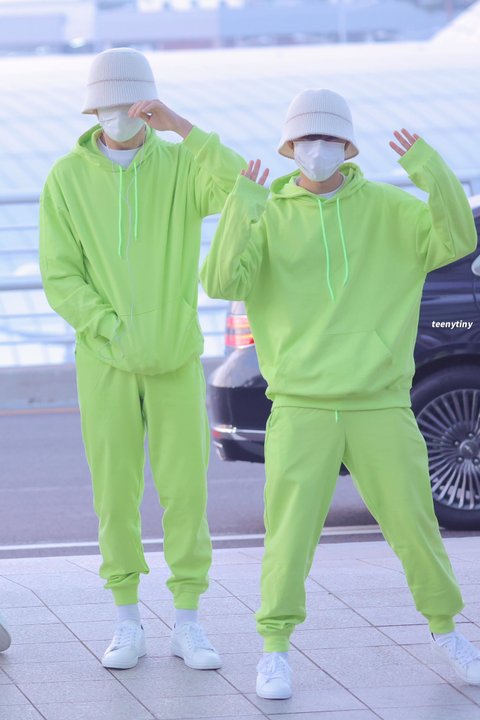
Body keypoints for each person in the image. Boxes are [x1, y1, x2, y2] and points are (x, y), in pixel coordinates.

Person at [200, 88, 480, 698]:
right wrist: (242, 206)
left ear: (348, 146)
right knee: (289, 535)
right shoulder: (267, 216)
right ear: (289, 147)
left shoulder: (390, 209)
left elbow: (458, 240)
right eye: (306, 138)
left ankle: (448, 632)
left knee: (415, 525)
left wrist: (431, 170)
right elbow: (219, 280)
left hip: (380, 402)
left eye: (328, 138)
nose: (317, 149)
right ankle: (274, 649)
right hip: (301, 405)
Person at [39, 47, 246, 671]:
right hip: (105, 361)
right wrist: (110, 328)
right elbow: (60, 275)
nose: (117, 113)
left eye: (128, 103)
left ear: (147, 105)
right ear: (91, 109)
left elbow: (242, 186)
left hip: (175, 357)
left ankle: (189, 621)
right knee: (114, 493)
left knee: (186, 492)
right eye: (106, 104)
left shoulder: (182, 166)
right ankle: (126, 621)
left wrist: (181, 127)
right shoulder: (66, 178)